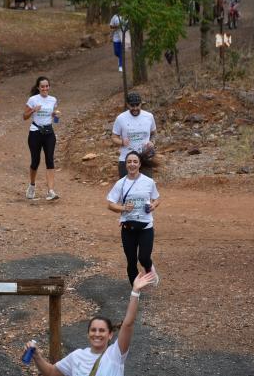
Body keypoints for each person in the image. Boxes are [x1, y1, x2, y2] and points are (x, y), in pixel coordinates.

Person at [25, 272, 156, 376]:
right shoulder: (77, 356)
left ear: (110, 335)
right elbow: (52, 372)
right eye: (93, 330)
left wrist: (135, 292)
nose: (97, 334)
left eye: (102, 330)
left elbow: (128, 324)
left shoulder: (115, 354)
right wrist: (37, 356)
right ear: (88, 334)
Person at [107, 151, 160, 287]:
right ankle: (136, 290)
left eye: (135, 162)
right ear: (126, 164)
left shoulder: (148, 182)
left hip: (146, 226)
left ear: (140, 164)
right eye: (129, 162)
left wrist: (153, 205)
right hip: (128, 228)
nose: (132, 164)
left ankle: (149, 268)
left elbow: (157, 198)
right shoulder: (120, 184)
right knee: (131, 261)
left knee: (143, 258)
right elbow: (110, 204)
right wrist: (123, 208)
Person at [24, 76, 60, 201]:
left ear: (49, 87)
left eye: (47, 86)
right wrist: (34, 109)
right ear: (38, 88)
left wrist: (55, 115)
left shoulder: (53, 100)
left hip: (49, 132)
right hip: (35, 132)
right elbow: (24, 116)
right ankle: (32, 185)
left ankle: (50, 191)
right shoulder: (33, 99)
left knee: (50, 159)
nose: (45, 88)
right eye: (42, 86)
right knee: (35, 161)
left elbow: (55, 119)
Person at [111, 92, 156, 178]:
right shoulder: (121, 118)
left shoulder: (149, 116)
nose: (135, 108)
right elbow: (114, 137)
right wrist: (122, 142)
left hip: (145, 158)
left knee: (146, 188)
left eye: (137, 105)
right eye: (132, 106)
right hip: (126, 159)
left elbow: (154, 133)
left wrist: (152, 142)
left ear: (141, 103)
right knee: (126, 188)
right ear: (127, 105)